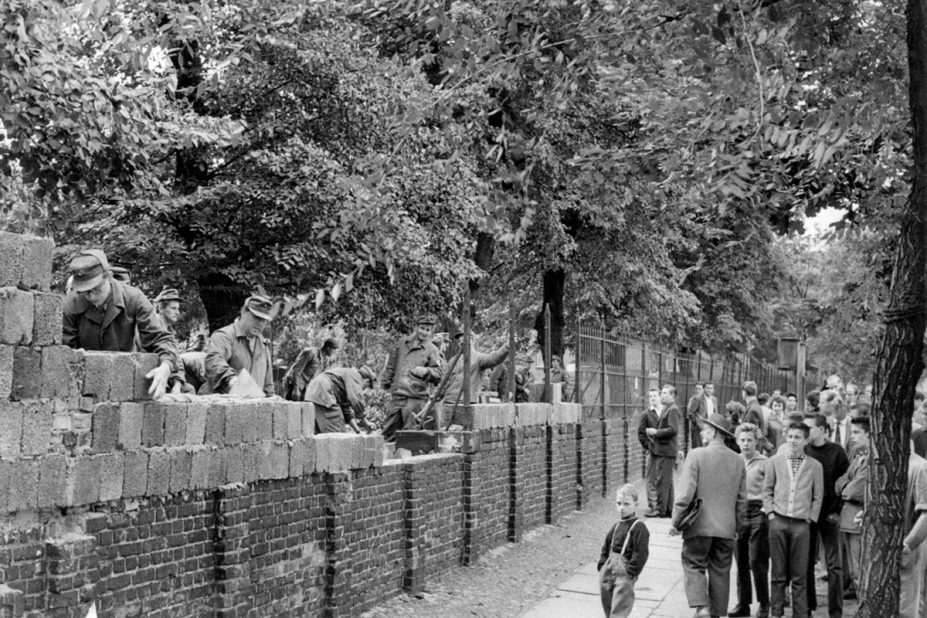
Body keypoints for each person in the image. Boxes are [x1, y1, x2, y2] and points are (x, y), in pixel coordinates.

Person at [61, 249, 178, 399]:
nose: (90, 296)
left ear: (107, 277)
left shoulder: (133, 298)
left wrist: (166, 366)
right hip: (85, 385)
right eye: (84, 292)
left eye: (95, 290)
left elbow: (160, 338)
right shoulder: (70, 305)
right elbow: (67, 352)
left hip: (125, 380)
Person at [672, 412, 746, 618]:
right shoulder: (738, 461)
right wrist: (738, 528)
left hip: (699, 526)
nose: (702, 432)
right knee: (721, 570)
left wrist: (675, 522)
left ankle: (701, 606)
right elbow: (742, 501)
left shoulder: (696, 455)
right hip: (726, 529)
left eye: (705, 429)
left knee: (693, 563)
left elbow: (685, 494)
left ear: (714, 432)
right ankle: (716, 613)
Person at [763, 421, 824, 618]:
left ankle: (800, 614)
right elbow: (767, 490)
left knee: (800, 574)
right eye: (789, 436)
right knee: (778, 573)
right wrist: (771, 514)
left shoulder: (815, 466)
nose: (792, 441)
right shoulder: (775, 461)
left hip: (801, 524)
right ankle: (776, 613)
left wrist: (810, 519)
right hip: (778, 521)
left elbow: (817, 496)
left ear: (806, 440)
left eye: (797, 437)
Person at [803, 413, 849, 618]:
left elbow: (845, 483)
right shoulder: (804, 450)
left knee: (834, 566)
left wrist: (838, 511)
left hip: (830, 513)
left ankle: (835, 612)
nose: (805, 432)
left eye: (810, 428)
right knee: (805, 562)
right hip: (808, 514)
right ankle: (808, 607)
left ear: (822, 429)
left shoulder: (837, 452)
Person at [380, 315, 443, 441]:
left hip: (415, 399)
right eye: (422, 328)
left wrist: (427, 371)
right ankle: (388, 459)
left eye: (428, 330)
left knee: (411, 437)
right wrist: (384, 386)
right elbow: (391, 366)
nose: (424, 332)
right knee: (388, 434)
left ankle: (408, 458)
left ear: (431, 332)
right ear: (416, 327)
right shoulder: (402, 343)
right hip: (397, 397)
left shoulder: (432, 350)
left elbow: (439, 374)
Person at [730, 423, 770, 618]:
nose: (745, 444)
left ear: (757, 441)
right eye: (742, 440)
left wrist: (764, 510)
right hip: (739, 512)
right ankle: (743, 604)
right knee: (741, 561)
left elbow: (773, 488)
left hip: (758, 512)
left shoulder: (765, 462)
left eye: (750, 440)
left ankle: (764, 604)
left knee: (757, 561)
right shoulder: (734, 461)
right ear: (737, 441)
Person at [204, 295, 276, 397]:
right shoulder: (224, 336)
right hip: (221, 406)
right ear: (243, 312)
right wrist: (233, 381)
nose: (260, 323)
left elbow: (268, 386)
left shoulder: (263, 344)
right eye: (256, 317)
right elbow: (214, 362)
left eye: (264, 320)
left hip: (251, 408)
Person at [598, 484, 650, 618]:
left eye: (626, 504)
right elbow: (606, 545)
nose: (621, 508)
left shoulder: (638, 527)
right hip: (609, 566)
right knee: (607, 599)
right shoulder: (616, 526)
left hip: (624, 569)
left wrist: (631, 570)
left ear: (635, 504)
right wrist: (602, 564)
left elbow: (641, 552)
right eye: (619, 503)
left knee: (621, 604)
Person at [441, 331, 509, 427]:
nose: (461, 342)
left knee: (464, 435)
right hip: (448, 403)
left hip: (466, 404)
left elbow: (494, 358)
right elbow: (444, 382)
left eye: (464, 339)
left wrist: (507, 347)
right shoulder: (453, 360)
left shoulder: (478, 358)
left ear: (472, 340)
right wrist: (433, 398)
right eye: (459, 341)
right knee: (445, 436)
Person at [834, 415, 869, 601]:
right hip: (848, 519)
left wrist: (845, 487)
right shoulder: (857, 457)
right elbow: (839, 482)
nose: (852, 436)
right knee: (854, 570)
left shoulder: (870, 460)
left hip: (858, 520)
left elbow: (854, 491)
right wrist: (845, 486)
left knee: (859, 570)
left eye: (856, 432)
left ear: (869, 434)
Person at [643, 385, 680, 518]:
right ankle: (669, 509)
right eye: (662, 393)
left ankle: (660, 510)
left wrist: (656, 432)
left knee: (662, 481)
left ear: (672, 396)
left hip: (666, 450)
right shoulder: (669, 408)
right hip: (666, 450)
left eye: (665, 393)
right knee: (667, 481)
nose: (662, 395)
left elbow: (673, 429)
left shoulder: (673, 410)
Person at [306, 366, 378, 434]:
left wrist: (358, 431)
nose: (364, 389)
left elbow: (346, 412)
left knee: (320, 435)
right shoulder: (355, 375)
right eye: (367, 387)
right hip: (323, 392)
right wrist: (366, 422)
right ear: (366, 380)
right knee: (338, 433)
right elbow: (355, 399)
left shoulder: (345, 381)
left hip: (313, 393)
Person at [742, 381, 769, 454]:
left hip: (752, 451)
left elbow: (752, 435)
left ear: (744, 393)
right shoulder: (755, 406)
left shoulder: (753, 410)